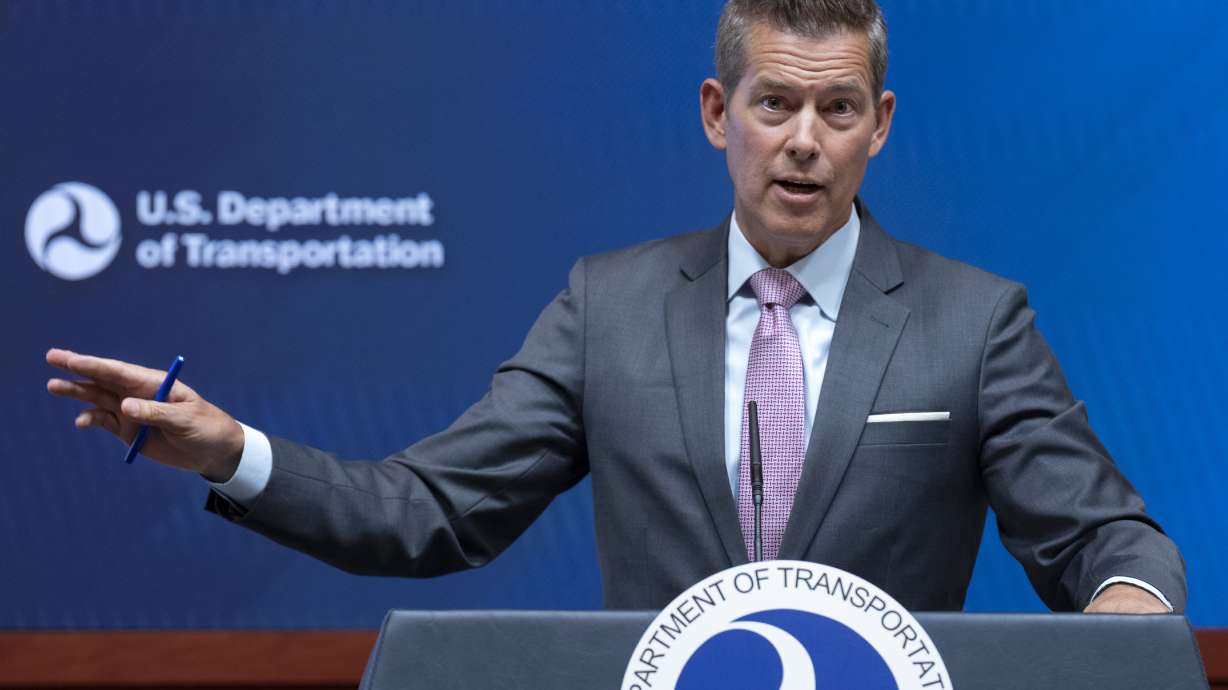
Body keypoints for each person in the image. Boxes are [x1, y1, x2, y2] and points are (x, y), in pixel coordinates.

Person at [46, 0, 1183, 614]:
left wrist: (1127, 609)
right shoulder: (611, 308)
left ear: (879, 124)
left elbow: (1103, 536)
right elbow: (429, 511)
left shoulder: (974, 322)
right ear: (712, 111)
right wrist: (229, 452)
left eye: (836, 108)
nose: (802, 140)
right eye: (774, 101)